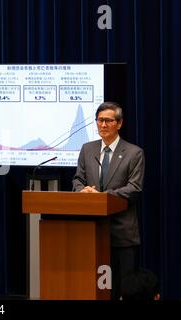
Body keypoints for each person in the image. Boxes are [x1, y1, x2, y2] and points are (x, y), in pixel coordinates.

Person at [72, 102, 145, 300]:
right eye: (100, 120)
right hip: (92, 233)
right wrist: (82, 190)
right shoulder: (87, 149)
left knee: (124, 290)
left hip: (122, 233)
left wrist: (104, 197)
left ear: (119, 124)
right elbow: (78, 179)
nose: (103, 125)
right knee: (98, 290)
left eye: (108, 120)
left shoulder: (134, 152)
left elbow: (134, 188)